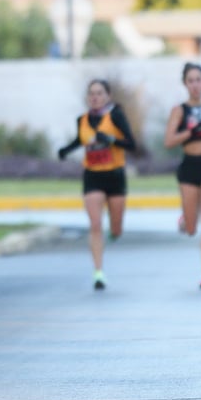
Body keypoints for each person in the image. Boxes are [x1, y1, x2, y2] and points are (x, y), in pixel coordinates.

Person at [58, 79, 136, 290]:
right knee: (95, 225)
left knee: (116, 228)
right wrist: (65, 150)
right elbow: (80, 140)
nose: (95, 97)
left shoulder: (116, 116)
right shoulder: (82, 120)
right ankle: (98, 272)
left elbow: (132, 144)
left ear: (108, 96)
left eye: (100, 93)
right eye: (91, 93)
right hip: (92, 176)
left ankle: (115, 232)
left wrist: (111, 139)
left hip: (115, 175)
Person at [164, 62, 201, 289]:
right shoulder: (180, 110)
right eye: (191, 80)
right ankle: (186, 217)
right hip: (190, 167)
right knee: (192, 228)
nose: (195, 85)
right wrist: (189, 131)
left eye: (199, 80)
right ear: (185, 84)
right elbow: (168, 142)